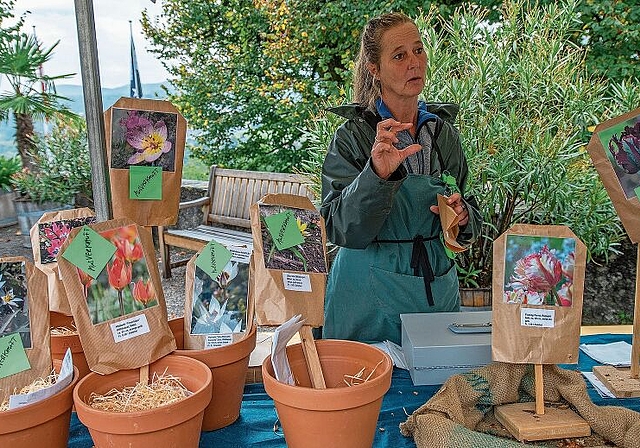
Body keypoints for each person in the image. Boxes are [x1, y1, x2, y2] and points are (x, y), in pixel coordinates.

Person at [319, 12, 482, 345]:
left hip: (434, 289)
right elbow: (338, 226)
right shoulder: (354, 137)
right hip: (366, 297)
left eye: (418, 50)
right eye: (399, 55)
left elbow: (467, 208)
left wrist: (463, 215)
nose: (415, 62)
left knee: (439, 388)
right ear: (374, 69)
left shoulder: (442, 133)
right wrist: (376, 174)